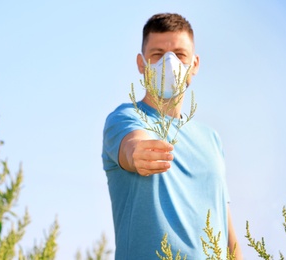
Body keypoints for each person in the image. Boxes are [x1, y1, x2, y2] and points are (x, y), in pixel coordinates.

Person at [102, 13, 243, 259]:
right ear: (141, 64)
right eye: (157, 55)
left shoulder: (211, 139)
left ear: (195, 64)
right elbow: (131, 146)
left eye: (179, 55)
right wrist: (137, 154)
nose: (169, 63)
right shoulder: (125, 118)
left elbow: (227, 230)